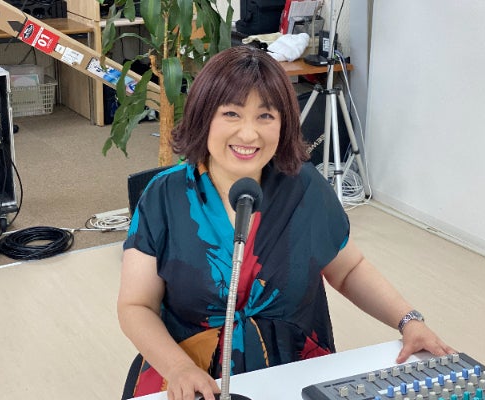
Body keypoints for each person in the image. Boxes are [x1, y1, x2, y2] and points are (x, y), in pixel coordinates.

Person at [118, 45, 455, 400]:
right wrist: (178, 368)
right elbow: (136, 305)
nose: (249, 134)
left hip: (293, 370)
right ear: (204, 116)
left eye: (265, 116)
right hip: (190, 376)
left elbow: (348, 270)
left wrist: (408, 321)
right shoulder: (164, 196)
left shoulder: (304, 187)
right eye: (231, 113)